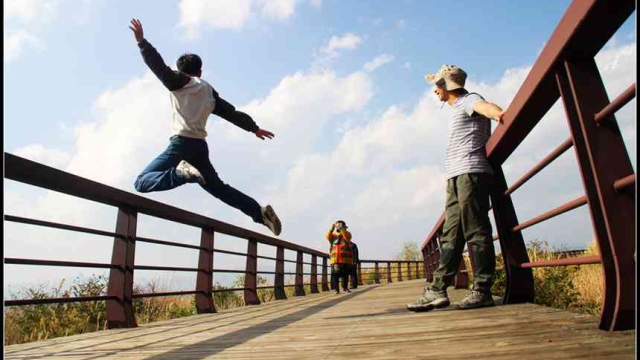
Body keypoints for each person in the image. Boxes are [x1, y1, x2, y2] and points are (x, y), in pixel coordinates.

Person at [128, 19, 281, 236]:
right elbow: (230, 113)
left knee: (141, 182)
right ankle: (259, 212)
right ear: (200, 72)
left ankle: (182, 173)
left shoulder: (177, 81)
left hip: (181, 145)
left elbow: (158, 66)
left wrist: (142, 42)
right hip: (200, 147)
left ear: (181, 70)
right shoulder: (208, 91)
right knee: (220, 189)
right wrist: (254, 128)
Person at [407, 64, 504, 312]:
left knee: (476, 231)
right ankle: (437, 290)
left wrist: (498, 114)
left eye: (436, 86)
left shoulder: (469, 100)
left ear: (445, 86)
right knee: (450, 235)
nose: (434, 91)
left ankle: (482, 290)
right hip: (456, 177)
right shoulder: (457, 107)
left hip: (471, 173)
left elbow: (485, 107)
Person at [326, 220, 353, 294]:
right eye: (337, 225)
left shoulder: (347, 234)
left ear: (344, 226)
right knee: (335, 274)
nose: (338, 227)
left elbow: (347, 238)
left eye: (340, 225)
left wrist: (342, 229)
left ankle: (345, 288)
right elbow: (328, 236)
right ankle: (336, 289)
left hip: (345, 259)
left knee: (345, 274)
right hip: (335, 259)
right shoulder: (333, 235)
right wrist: (331, 229)